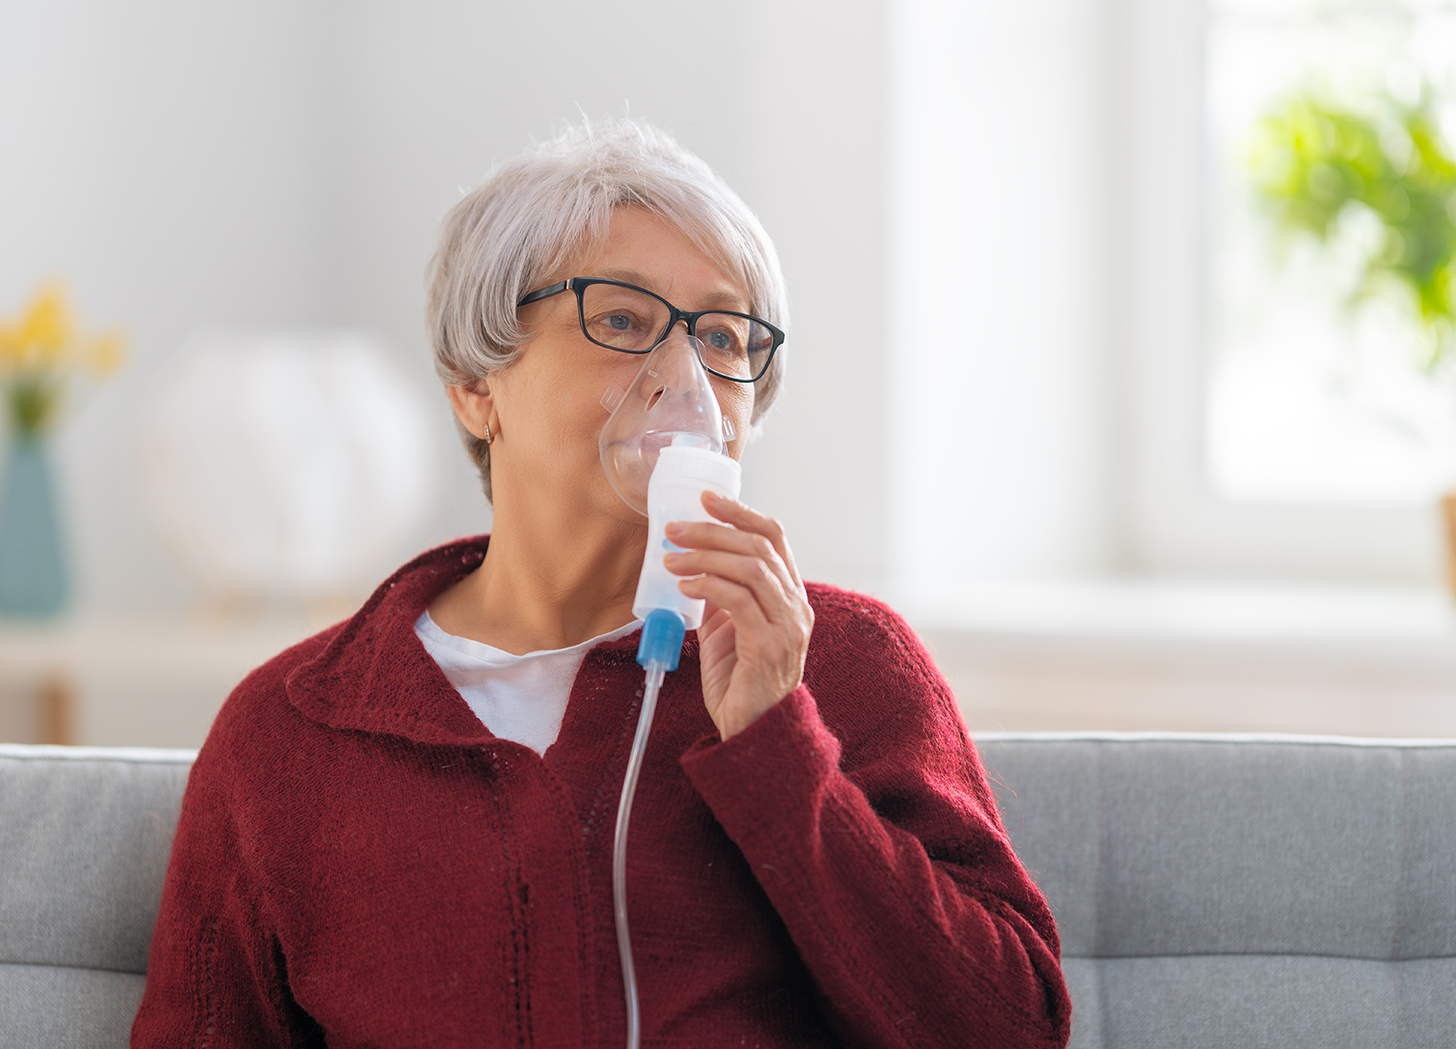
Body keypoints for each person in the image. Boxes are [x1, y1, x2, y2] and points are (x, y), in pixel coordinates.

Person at [132, 120, 1070, 1048]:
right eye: (622, 318)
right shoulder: (296, 732)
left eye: (725, 336)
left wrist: (779, 750)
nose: (687, 378)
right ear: (474, 384)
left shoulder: (847, 664)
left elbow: (1010, 1031)